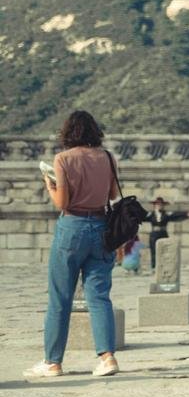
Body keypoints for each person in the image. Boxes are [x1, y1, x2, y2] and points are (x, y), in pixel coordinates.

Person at [25, 110, 121, 379]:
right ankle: (107, 357)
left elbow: (62, 203)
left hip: (72, 227)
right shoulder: (108, 157)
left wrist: (49, 184)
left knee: (60, 297)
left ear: (68, 132)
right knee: (99, 295)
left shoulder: (63, 159)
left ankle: (53, 362)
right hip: (102, 227)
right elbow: (112, 194)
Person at [145, 197, 189, 275]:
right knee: (154, 251)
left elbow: (175, 215)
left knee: (164, 251)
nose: (159, 206)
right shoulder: (151, 214)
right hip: (154, 234)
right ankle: (154, 267)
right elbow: (141, 217)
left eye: (161, 204)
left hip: (163, 233)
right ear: (154, 205)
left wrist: (186, 214)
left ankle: (164, 267)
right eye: (157, 204)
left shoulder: (166, 214)